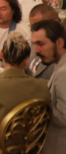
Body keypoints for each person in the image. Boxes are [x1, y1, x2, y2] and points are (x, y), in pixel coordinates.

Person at [30, 20, 66, 154]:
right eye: (34, 44)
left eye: (41, 44)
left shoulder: (63, 73)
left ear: (59, 43)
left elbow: (63, 117)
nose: (35, 50)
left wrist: (36, 103)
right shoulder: (60, 64)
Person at [28, 5, 61, 81]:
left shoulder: (61, 50)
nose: (34, 30)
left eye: (38, 26)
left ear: (55, 23)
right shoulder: (34, 40)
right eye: (32, 26)